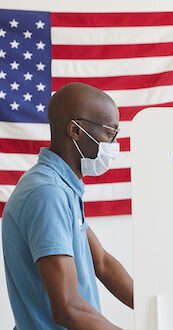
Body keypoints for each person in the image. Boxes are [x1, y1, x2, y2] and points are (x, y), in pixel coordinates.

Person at [2, 82, 133, 329]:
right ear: (75, 130)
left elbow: (103, 263)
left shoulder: (63, 188)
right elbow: (67, 308)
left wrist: (160, 304)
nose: (114, 144)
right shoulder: (46, 193)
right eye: (110, 133)